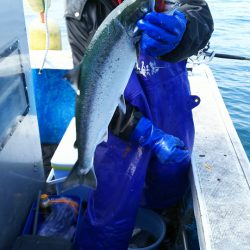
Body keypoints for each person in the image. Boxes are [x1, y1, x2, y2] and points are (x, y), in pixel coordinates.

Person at [65, 0, 214, 249]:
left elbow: (199, 13)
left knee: (167, 193)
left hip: (170, 113)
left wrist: (184, 28)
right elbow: (92, 91)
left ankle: (162, 232)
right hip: (117, 127)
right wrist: (146, 133)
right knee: (108, 212)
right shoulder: (81, 8)